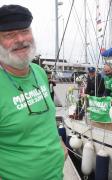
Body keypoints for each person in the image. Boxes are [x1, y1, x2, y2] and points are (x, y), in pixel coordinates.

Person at [0, 4, 67, 179]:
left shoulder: (39, 72)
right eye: (9, 35)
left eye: (25, 31)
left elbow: (45, 116)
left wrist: (59, 142)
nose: (21, 39)